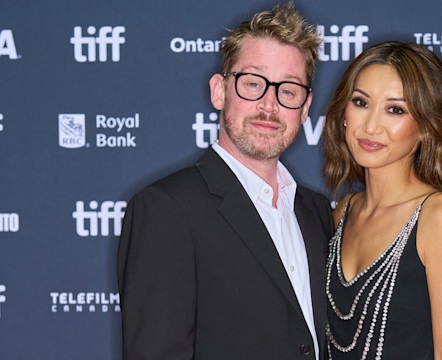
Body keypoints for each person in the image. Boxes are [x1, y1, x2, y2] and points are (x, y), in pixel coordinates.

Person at [117, 3, 333, 359]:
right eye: (253, 83)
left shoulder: (316, 211)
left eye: (289, 90)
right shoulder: (166, 208)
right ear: (220, 91)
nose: (269, 105)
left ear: (305, 108)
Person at [323, 41, 442, 359]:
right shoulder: (343, 213)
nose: (370, 126)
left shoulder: (438, 218)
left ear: (425, 127)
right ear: (344, 113)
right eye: (360, 102)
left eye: (395, 109)